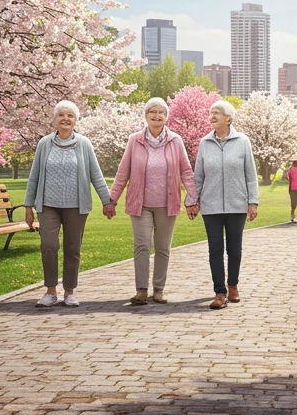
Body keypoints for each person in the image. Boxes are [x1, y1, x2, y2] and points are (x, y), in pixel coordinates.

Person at [108, 97, 200, 306]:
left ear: (166, 117)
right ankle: (141, 290)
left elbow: (186, 171)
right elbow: (123, 172)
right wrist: (111, 200)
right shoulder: (135, 140)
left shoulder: (175, 140)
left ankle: (158, 290)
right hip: (140, 204)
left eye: (161, 112)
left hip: (168, 204)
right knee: (142, 245)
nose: (157, 116)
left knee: (163, 247)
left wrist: (192, 198)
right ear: (146, 116)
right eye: (153, 112)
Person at [24, 100, 114, 308]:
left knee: (73, 248)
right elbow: (34, 177)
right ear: (55, 120)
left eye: (70, 116)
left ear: (76, 120)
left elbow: (96, 176)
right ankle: (50, 291)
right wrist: (28, 207)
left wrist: (107, 201)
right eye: (61, 115)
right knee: (49, 245)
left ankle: (69, 292)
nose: (66, 119)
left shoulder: (84, 144)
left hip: (76, 205)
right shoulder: (44, 144)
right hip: (48, 205)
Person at [194, 100, 259, 310]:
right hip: (210, 205)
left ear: (228, 118)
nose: (212, 116)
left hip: (236, 204)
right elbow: (198, 176)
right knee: (214, 249)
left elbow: (251, 175)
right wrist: (193, 201)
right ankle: (219, 292)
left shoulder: (243, 142)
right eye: (211, 113)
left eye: (217, 113)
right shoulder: (205, 143)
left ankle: (233, 285)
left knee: (234, 249)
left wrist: (253, 202)